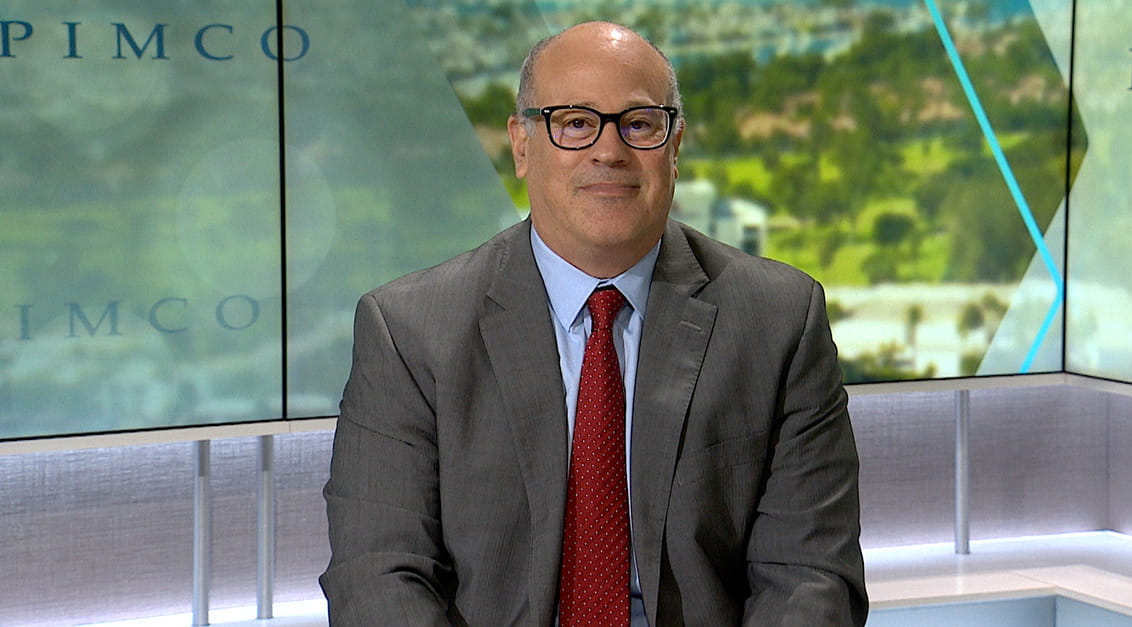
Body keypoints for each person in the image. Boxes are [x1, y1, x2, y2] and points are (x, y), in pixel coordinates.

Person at [321, 20, 867, 626]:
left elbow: (810, 576)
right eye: (576, 122)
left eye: (640, 124)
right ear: (522, 145)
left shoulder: (779, 320)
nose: (609, 151)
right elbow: (377, 577)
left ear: (675, 147)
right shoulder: (409, 331)